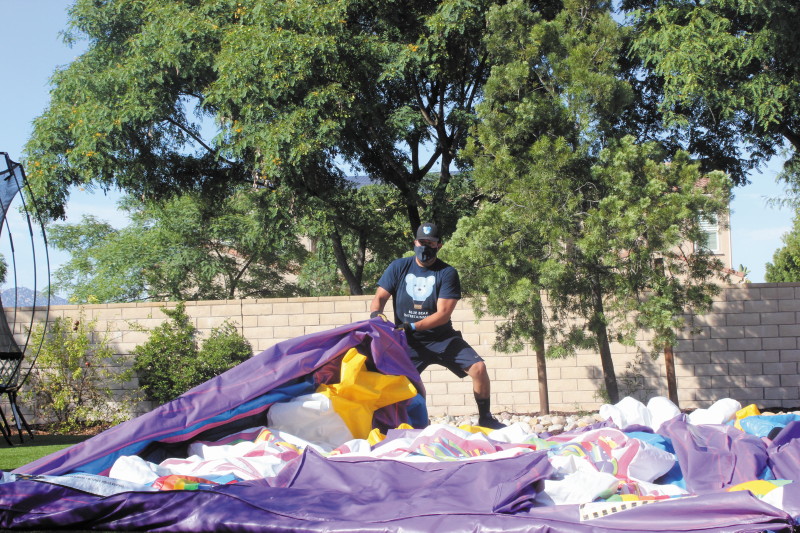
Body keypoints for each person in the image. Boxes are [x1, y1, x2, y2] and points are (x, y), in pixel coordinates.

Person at [370, 222, 505, 429]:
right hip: (408, 342)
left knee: (479, 368)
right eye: (422, 242)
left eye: (431, 243)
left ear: (439, 245)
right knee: (390, 382)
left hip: (442, 338)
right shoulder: (398, 267)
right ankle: (388, 424)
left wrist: (411, 326)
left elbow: (442, 314)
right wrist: (376, 318)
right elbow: (380, 297)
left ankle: (485, 417)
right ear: (415, 242)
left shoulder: (447, 272)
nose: (425, 247)